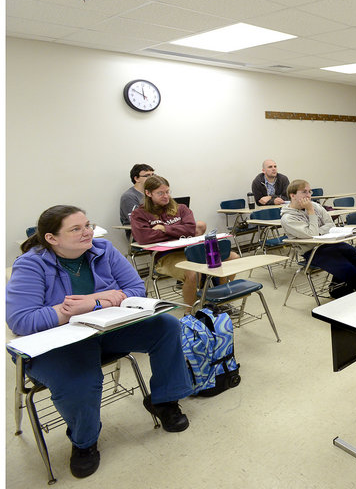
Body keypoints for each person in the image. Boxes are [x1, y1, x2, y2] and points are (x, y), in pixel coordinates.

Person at [6, 205, 193, 479]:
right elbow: (21, 320)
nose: (88, 232)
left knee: (166, 325)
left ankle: (164, 401)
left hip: (104, 328)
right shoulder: (31, 263)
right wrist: (75, 309)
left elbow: (135, 290)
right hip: (55, 343)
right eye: (76, 229)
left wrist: (94, 301)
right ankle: (84, 442)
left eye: (88, 225)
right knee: (81, 376)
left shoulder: (103, 250)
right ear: (51, 238)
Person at [131, 175, 237, 307]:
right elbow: (144, 237)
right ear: (148, 193)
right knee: (192, 273)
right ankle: (191, 312)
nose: (166, 196)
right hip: (166, 256)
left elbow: (190, 229)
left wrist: (165, 229)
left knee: (232, 257)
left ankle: (219, 300)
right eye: (160, 193)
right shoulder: (139, 214)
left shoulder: (180, 208)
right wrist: (178, 231)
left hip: (192, 250)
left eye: (167, 192)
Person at [281, 179, 356, 297]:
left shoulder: (315, 206)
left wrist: (318, 232)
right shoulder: (288, 218)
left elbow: (330, 224)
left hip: (331, 242)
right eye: (304, 192)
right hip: (313, 251)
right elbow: (312, 234)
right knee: (348, 270)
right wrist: (310, 212)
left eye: (310, 192)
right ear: (293, 195)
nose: (309, 195)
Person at [121, 164, 206, 236]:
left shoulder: (161, 193)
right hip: (146, 230)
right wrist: (176, 229)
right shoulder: (129, 196)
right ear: (136, 178)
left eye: (153, 175)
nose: (151, 177)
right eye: (147, 175)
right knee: (186, 230)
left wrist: (166, 228)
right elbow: (136, 221)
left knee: (199, 226)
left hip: (164, 225)